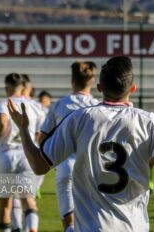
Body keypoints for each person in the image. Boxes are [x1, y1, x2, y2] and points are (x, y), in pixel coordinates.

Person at [8, 56, 154, 231]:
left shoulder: (78, 118)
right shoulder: (151, 122)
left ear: (99, 87)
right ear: (132, 88)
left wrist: (23, 129)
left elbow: (38, 165)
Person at [38, 61, 99, 232]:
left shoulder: (59, 104)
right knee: (91, 220)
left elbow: (42, 138)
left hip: (65, 165)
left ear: (72, 80)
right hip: (91, 167)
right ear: (92, 81)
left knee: (69, 222)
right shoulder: (97, 106)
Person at [0, 73, 41, 232]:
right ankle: (31, 227)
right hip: (27, 156)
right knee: (28, 201)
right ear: (23, 87)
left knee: (5, 206)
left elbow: (2, 122)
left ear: (6, 88)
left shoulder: (3, 103)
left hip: (7, 154)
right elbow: (40, 132)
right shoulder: (34, 106)